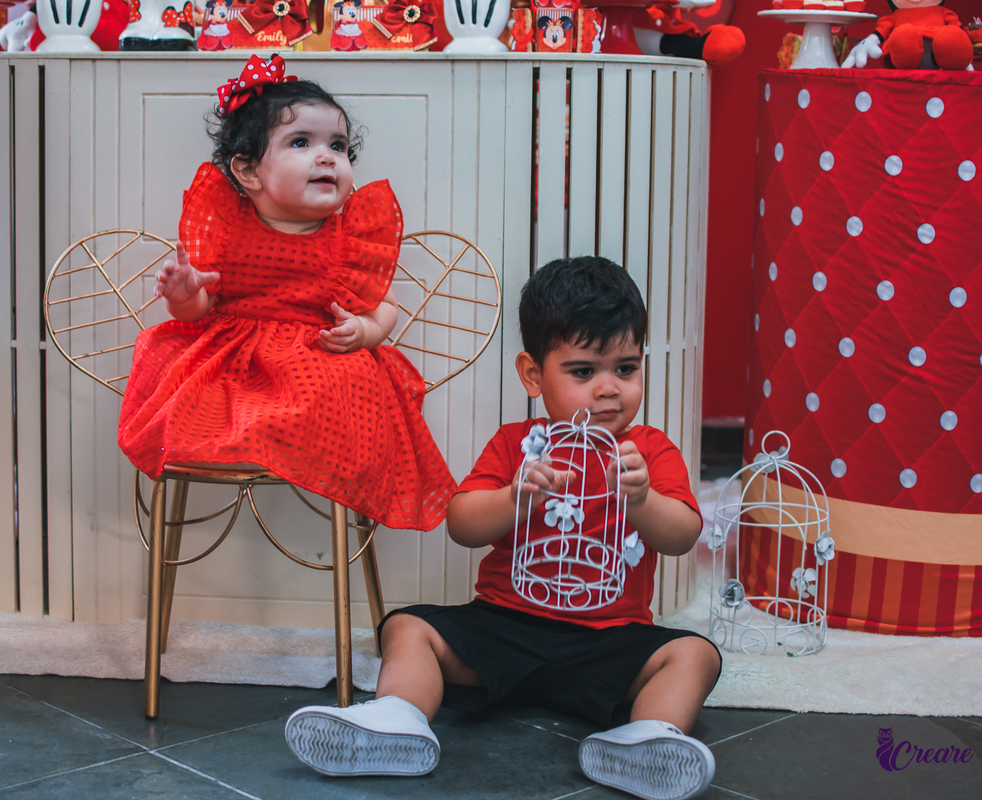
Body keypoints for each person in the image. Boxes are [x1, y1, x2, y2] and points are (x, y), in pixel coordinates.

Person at [284, 256, 722, 800]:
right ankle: (397, 719)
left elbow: (680, 536)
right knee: (406, 628)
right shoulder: (518, 443)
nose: (609, 389)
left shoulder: (650, 451)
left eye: (626, 369)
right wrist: (516, 496)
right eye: (584, 372)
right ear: (533, 375)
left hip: (607, 642)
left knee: (694, 655)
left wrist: (642, 499)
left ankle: (646, 740)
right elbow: (462, 524)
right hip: (506, 627)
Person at [118, 54, 455, 534]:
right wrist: (183, 294)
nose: (327, 157)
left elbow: (384, 303)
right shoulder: (229, 229)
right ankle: (245, 437)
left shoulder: (349, 238)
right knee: (201, 402)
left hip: (318, 364)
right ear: (249, 172)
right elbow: (199, 310)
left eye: (338, 146)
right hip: (232, 361)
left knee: (334, 392)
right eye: (301, 142)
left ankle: (286, 445)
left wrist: (364, 330)